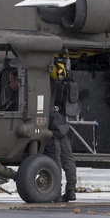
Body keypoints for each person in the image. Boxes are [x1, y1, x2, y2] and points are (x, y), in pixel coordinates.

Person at [47, 60, 78, 202]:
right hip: (61, 124)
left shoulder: (45, 83)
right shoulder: (60, 83)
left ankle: (57, 193)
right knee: (68, 158)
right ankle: (71, 190)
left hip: (52, 125)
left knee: (56, 160)